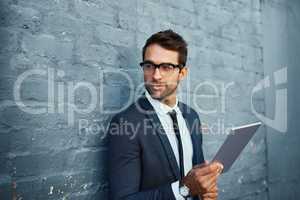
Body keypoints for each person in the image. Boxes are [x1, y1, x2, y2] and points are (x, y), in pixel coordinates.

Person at [107, 29, 223, 200]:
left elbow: (195, 178)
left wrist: (205, 191)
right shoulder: (125, 123)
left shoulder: (192, 116)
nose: (156, 75)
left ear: (182, 73)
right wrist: (184, 190)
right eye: (149, 66)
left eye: (166, 67)